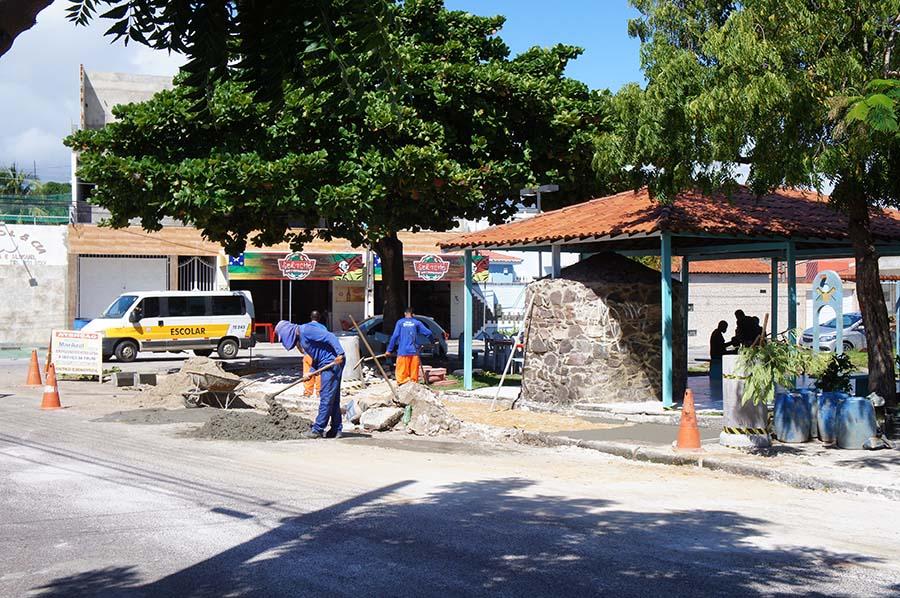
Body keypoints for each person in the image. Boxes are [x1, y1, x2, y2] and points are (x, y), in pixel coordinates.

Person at [275, 316, 345, 439]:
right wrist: (311, 372)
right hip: (326, 362)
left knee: (326, 396)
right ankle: (336, 429)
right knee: (333, 399)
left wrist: (340, 353)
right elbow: (317, 355)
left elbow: (330, 337)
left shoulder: (306, 330)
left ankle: (317, 429)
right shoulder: (301, 337)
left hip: (333, 362)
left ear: (287, 332)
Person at [385, 306, 435, 384]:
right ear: (413, 314)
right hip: (414, 352)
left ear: (405, 313)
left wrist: (389, 350)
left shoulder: (400, 322)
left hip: (403, 352)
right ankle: (413, 387)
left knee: (401, 377)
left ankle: (403, 387)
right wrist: (432, 342)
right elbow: (428, 333)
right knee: (413, 378)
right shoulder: (417, 323)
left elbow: (394, 336)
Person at [302, 311, 325, 398]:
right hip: (319, 354)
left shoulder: (305, 327)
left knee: (308, 372)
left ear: (310, 317)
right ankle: (319, 392)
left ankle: (307, 392)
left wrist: (302, 350)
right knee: (318, 373)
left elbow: (299, 339)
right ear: (319, 318)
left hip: (308, 353)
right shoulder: (323, 328)